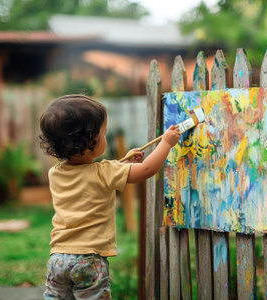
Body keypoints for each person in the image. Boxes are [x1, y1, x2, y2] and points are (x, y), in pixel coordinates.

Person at [39, 94, 180, 299]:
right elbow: (147, 169)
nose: (106, 136)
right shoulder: (105, 172)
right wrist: (166, 143)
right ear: (91, 141)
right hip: (89, 260)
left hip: (58, 259)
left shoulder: (55, 174)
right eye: (104, 133)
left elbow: (89, 183)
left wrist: (122, 165)